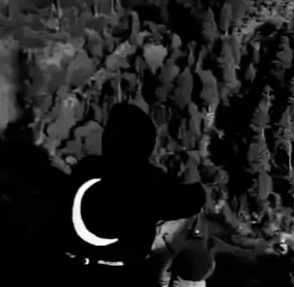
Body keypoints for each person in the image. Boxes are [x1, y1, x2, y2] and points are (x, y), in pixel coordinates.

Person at [66, 103, 207, 273]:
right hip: (116, 273)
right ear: (147, 145)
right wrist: (192, 164)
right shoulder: (148, 181)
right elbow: (195, 198)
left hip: (69, 260)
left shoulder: (87, 167)